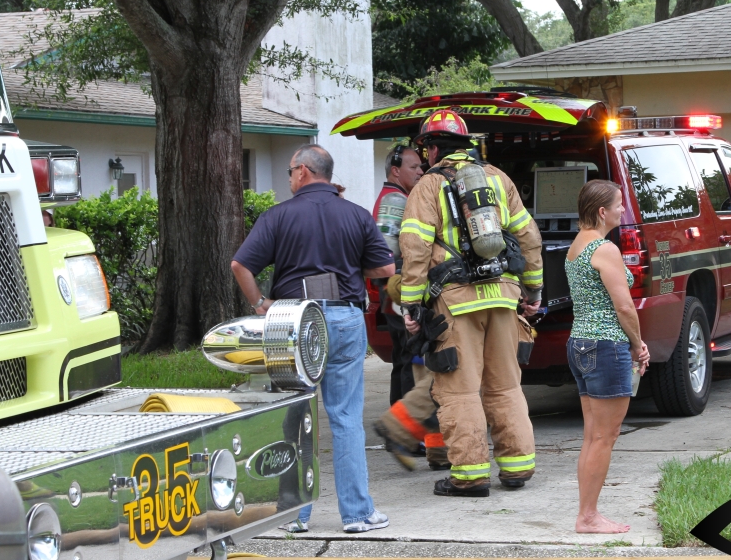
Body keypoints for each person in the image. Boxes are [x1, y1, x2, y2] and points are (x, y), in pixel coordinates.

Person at [231, 144, 395, 534]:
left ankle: (294, 514)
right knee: (346, 417)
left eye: (290, 171)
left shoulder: (277, 216)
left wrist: (260, 304)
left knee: (295, 416)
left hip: (291, 322)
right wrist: (349, 265)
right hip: (344, 317)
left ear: (303, 171)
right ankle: (357, 514)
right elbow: (385, 268)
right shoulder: (356, 214)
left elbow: (240, 265)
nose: (289, 178)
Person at [400, 109, 544, 497]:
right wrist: (533, 292)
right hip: (503, 298)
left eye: (426, 149)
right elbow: (529, 238)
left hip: (456, 302)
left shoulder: (428, 186)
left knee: (459, 391)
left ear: (432, 148)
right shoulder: (498, 179)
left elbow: (415, 247)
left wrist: (411, 306)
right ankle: (517, 467)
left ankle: (469, 475)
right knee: (506, 386)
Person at [564, 180, 650, 533]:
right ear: (602, 211)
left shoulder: (577, 245)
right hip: (606, 345)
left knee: (593, 436)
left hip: (580, 343)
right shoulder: (605, 249)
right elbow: (624, 306)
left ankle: (587, 513)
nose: (622, 210)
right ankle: (588, 517)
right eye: (618, 204)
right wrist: (638, 344)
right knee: (604, 437)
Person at [373, 143, 426, 404]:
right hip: (398, 291)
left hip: (391, 292)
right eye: (413, 167)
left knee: (402, 358)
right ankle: (409, 424)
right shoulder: (396, 201)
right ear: (395, 171)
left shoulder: (390, 197)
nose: (420, 171)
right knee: (410, 359)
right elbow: (391, 255)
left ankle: (399, 420)